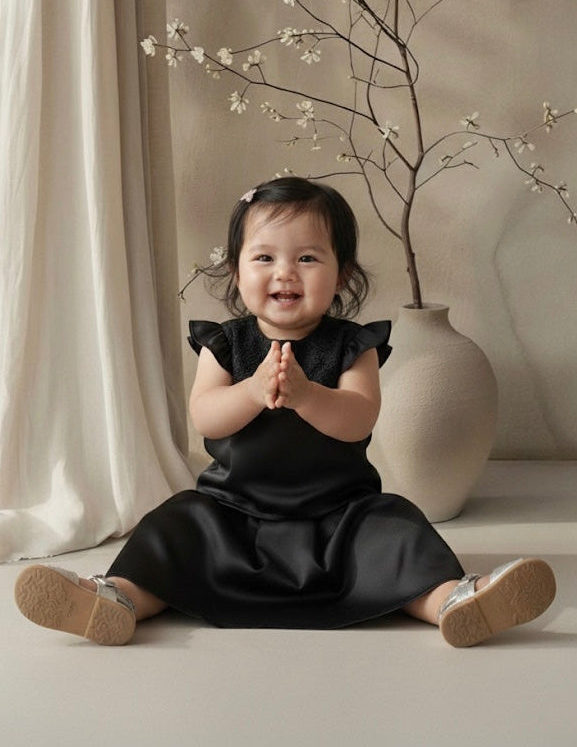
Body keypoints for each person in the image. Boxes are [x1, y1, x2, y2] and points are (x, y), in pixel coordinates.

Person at [14, 177, 556, 647]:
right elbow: (206, 418)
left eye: (307, 258)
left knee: (398, 526)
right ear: (236, 271)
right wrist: (253, 391)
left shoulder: (353, 346)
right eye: (265, 257)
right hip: (233, 514)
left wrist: (306, 395)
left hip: (339, 516)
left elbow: (359, 418)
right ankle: (118, 598)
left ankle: (452, 601)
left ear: (341, 274)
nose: (285, 273)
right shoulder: (224, 345)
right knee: (174, 523)